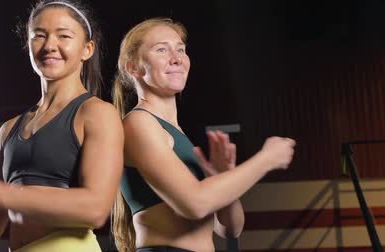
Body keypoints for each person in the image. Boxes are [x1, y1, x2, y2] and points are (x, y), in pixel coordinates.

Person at [0, 0, 124, 252]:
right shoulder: (8, 130)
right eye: (39, 35)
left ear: (87, 49)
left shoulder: (97, 114)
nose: (50, 45)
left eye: (64, 36)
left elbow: (95, 209)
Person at [111, 18, 296, 252]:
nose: (177, 58)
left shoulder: (175, 133)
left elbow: (230, 229)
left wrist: (221, 175)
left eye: (180, 49)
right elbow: (194, 204)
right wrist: (266, 159)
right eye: (161, 49)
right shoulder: (139, 123)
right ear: (133, 67)